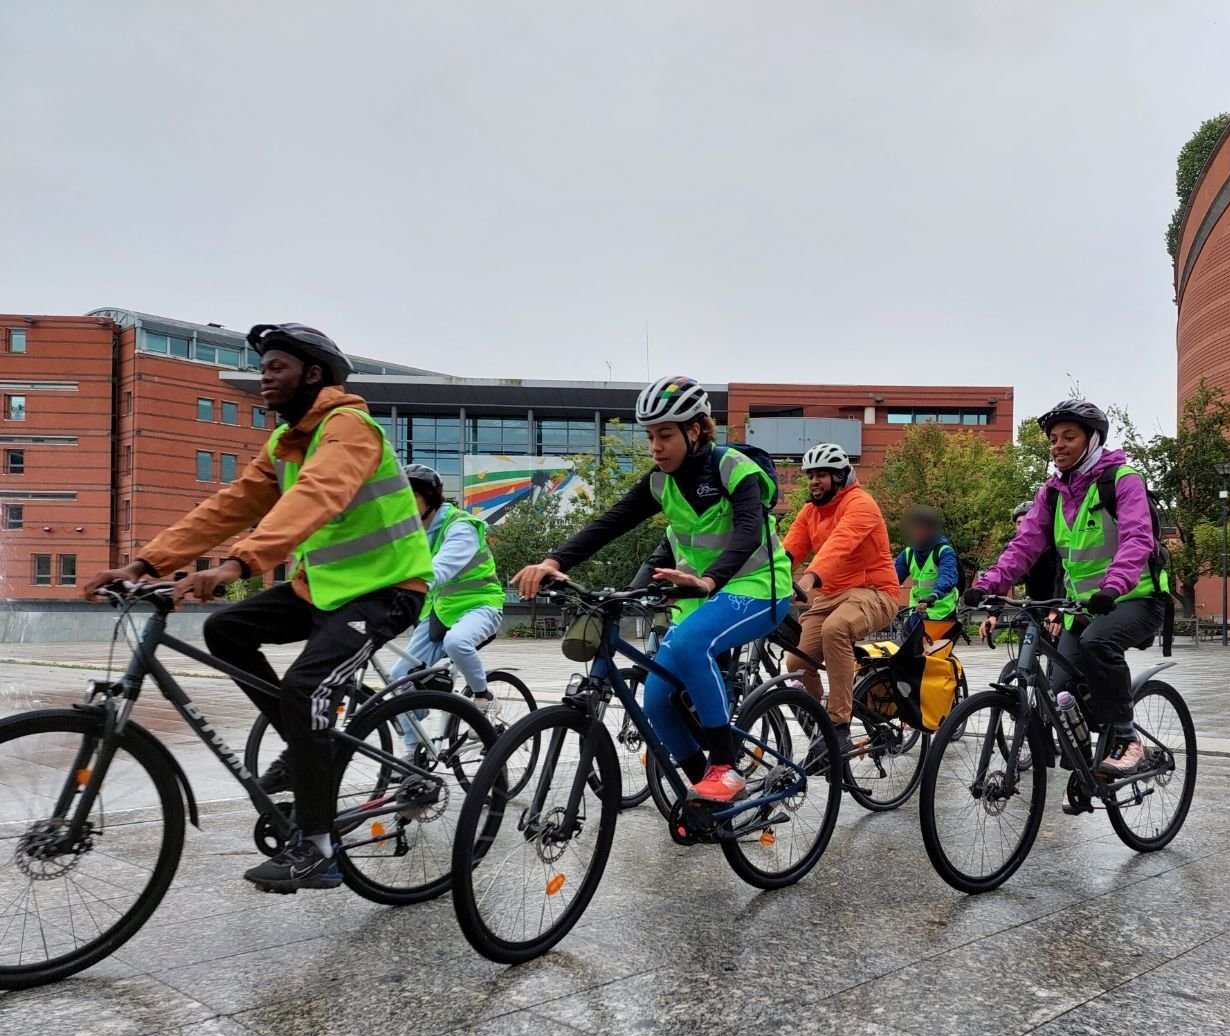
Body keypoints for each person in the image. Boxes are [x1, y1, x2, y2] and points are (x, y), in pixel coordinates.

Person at [82, 324, 432, 892]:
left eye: (276, 367)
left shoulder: (350, 428)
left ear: (312, 375)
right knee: (226, 630)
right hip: (319, 589)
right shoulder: (285, 442)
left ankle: (317, 849)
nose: (264, 377)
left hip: (387, 590)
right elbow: (229, 506)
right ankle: (301, 748)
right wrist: (145, 564)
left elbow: (317, 495)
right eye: (263, 367)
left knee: (305, 687)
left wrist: (236, 565)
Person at [510, 376, 791, 805]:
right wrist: (553, 561)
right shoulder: (659, 482)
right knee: (658, 702)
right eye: (650, 436)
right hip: (696, 595)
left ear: (694, 429)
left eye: (664, 435)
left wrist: (711, 578)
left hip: (756, 588)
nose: (655, 446)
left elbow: (750, 528)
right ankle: (709, 793)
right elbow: (610, 522)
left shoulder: (733, 466)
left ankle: (724, 767)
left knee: (693, 643)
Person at [969, 398, 1164, 791]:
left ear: (1092, 440)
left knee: (1098, 643)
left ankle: (1127, 738)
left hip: (1135, 599)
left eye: (1068, 437)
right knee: (1056, 692)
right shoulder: (1052, 493)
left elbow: (1137, 538)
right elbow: (1023, 546)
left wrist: (1114, 585)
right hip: (1081, 608)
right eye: (1053, 439)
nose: (1057, 445)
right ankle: (1088, 771)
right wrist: (988, 584)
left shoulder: (1121, 480)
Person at [782, 442, 901, 747]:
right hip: (830, 597)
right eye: (811, 475)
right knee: (795, 663)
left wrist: (809, 577)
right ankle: (817, 724)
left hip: (875, 592)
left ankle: (838, 725)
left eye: (822, 474)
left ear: (840, 476)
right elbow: (787, 552)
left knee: (836, 630)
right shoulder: (810, 512)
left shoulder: (861, 504)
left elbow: (841, 544)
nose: (814, 481)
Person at [399, 464, 506, 722]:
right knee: (400, 679)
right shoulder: (410, 531)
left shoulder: (460, 526)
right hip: (440, 610)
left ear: (430, 499)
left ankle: (484, 696)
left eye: (410, 497)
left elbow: (440, 568)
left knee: (457, 642)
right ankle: (415, 752)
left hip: (480, 605)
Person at [978, 501, 1064, 644]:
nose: (1022, 526)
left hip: (1058, 600)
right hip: (1034, 603)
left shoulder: (1054, 546)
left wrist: (1056, 611)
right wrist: (993, 614)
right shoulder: (1014, 549)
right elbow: (1003, 578)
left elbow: (1061, 579)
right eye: (1018, 523)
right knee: (1023, 631)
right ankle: (1026, 666)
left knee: (1057, 652)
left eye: (1027, 521)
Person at [894, 505, 960, 642]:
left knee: (934, 656)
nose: (918, 532)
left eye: (922, 527)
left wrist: (934, 595)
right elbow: (892, 580)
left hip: (942, 613)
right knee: (907, 652)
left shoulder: (943, 551)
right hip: (917, 611)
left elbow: (948, 576)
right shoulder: (908, 553)